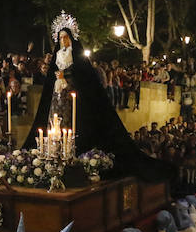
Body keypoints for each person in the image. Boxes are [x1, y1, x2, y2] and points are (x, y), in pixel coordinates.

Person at [25, 15, 173, 181]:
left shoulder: (76, 57)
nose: (63, 40)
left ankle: (71, 155)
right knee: (55, 123)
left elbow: (83, 79)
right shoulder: (57, 56)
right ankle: (54, 154)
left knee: (71, 125)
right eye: (60, 38)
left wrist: (66, 79)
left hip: (74, 98)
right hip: (57, 95)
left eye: (66, 37)